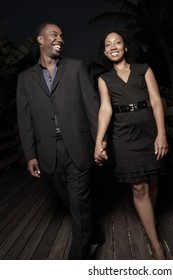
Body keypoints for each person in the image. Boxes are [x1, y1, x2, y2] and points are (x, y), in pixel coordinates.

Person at [16, 22, 105, 259]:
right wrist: (30, 155)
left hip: (78, 145)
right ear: (40, 40)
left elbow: (92, 107)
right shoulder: (25, 79)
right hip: (48, 151)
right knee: (70, 200)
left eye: (62, 36)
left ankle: (78, 257)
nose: (60, 39)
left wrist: (99, 142)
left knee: (78, 199)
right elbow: (24, 120)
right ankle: (95, 231)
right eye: (54, 35)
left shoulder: (76, 68)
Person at [94, 30, 168, 260]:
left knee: (153, 180)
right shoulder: (104, 79)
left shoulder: (143, 69)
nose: (113, 46)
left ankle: (150, 218)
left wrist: (162, 133)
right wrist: (99, 141)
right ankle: (156, 245)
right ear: (106, 52)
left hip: (148, 130)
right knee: (139, 187)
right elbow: (106, 109)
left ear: (125, 47)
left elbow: (156, 101)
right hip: (123, 135)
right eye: (108, 44)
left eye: (118, 42)